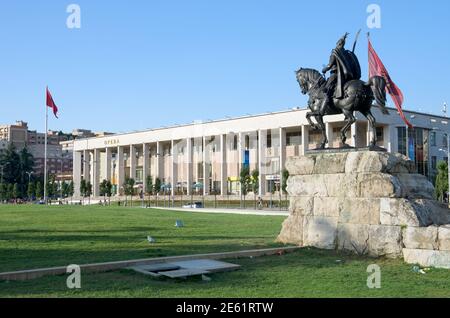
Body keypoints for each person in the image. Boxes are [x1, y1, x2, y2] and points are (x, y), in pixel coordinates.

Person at [322, 33, 361, 100]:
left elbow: (329, 65)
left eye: (337, 44)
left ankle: (326, 101)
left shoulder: (335, 53)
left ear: (339, 44)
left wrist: (324, 70)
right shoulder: (347, 53)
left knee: (326, 89)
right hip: (348, 75)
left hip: (336, 74)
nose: (336, 46)